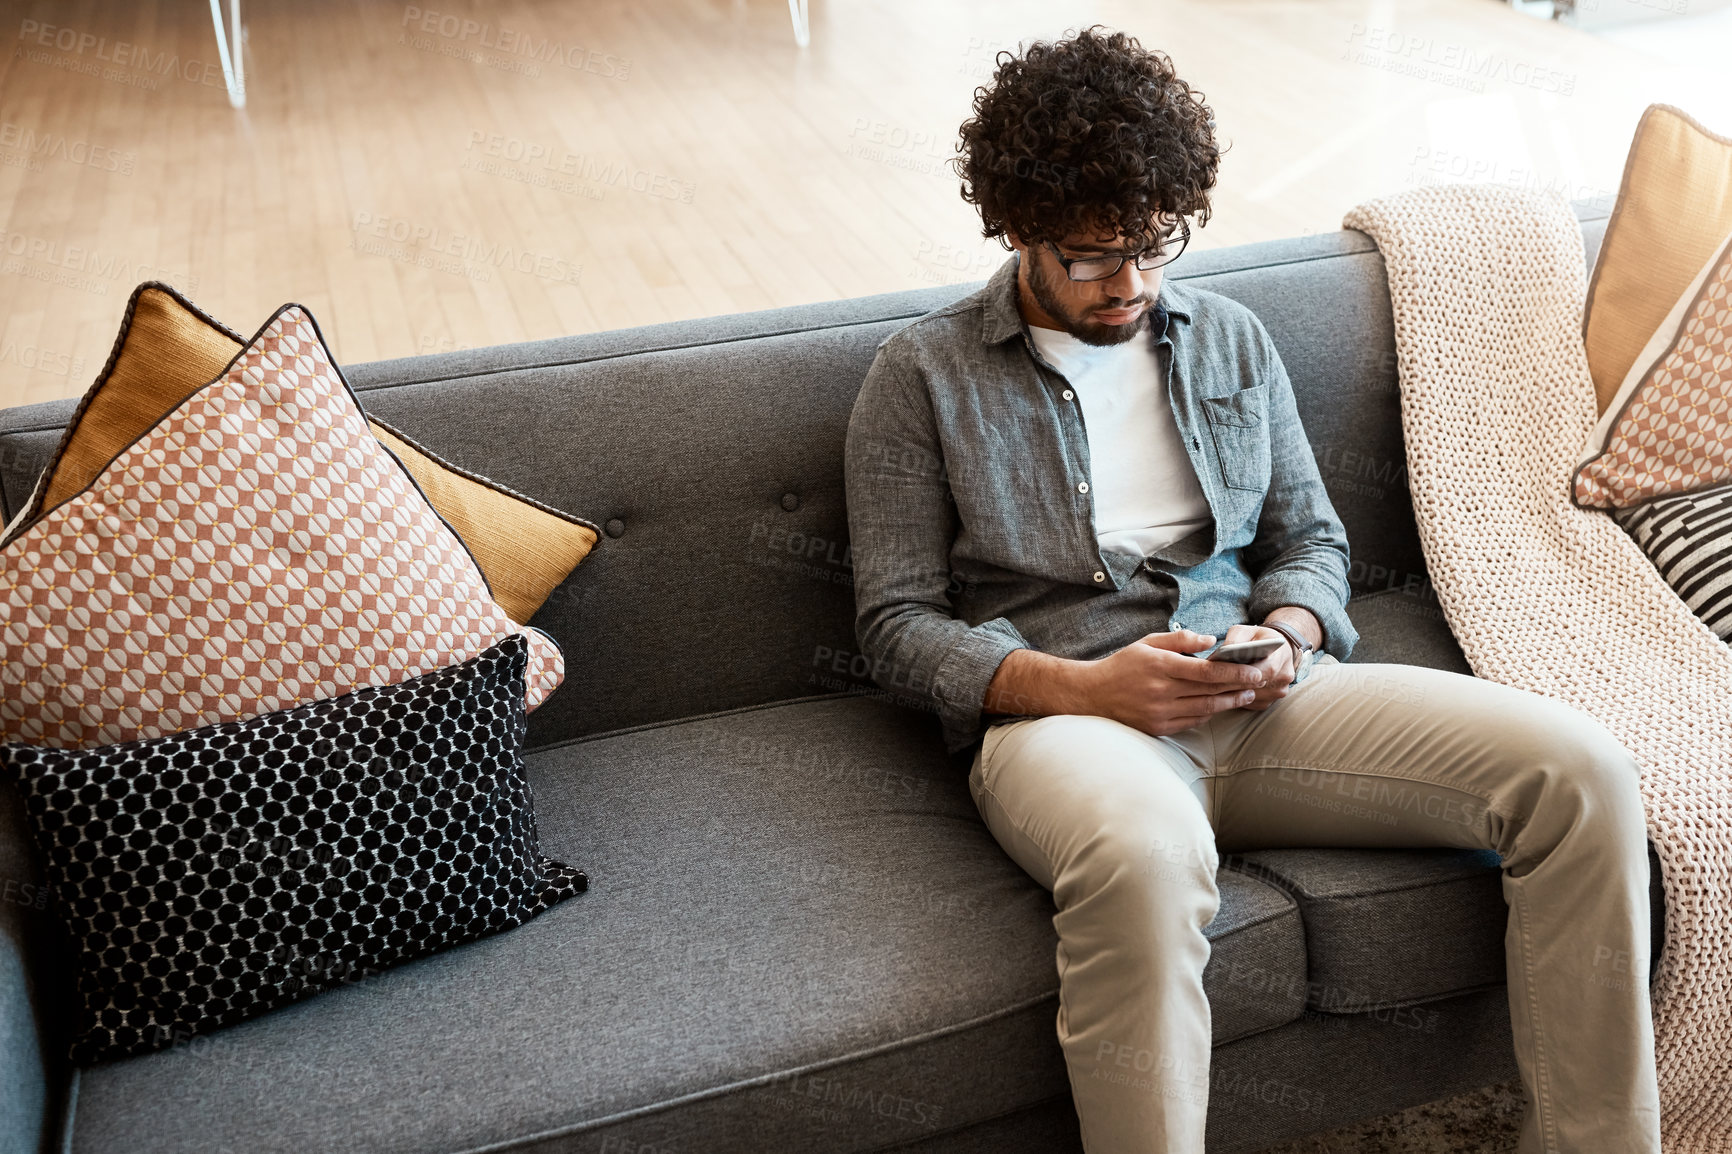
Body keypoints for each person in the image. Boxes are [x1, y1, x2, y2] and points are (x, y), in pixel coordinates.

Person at [842, 26, 1659, 1154]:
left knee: (1583, 774)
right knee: (1144, 855)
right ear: (1017, 226)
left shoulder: (1228, 337)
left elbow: (1309, 537)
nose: (1128, 283)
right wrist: (1084, 688)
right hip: (1069, 721)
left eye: (1154, 244)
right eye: (1088, 256)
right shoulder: (921, 374)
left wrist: (1285, 628)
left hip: (1266, 695)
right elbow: (892, 627)